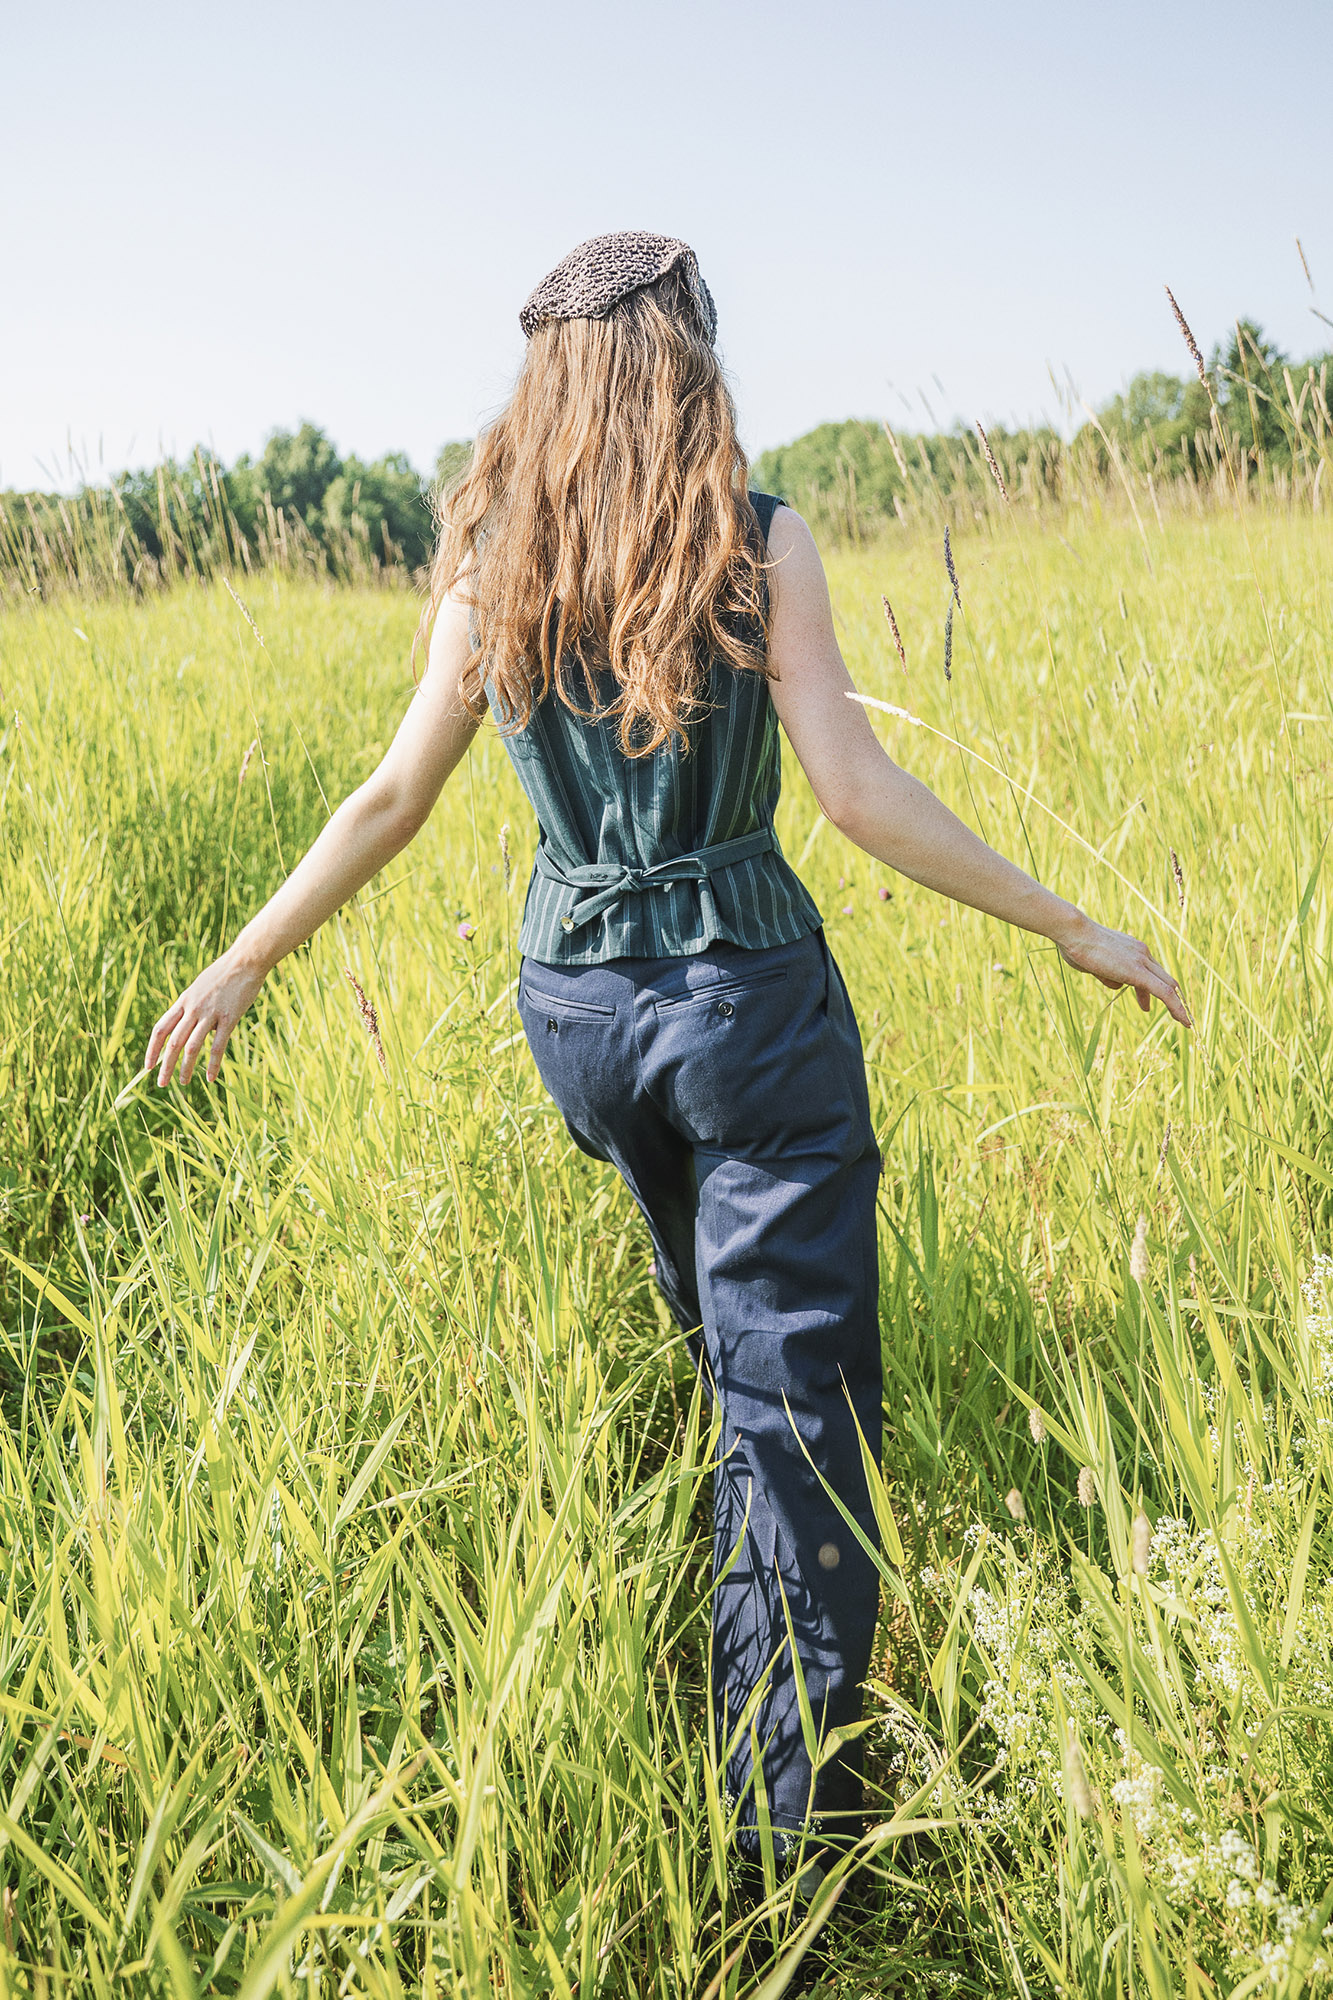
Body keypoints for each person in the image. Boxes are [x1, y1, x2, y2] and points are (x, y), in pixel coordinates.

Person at [145, 231, 1190, 1896]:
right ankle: (777, 1857)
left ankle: (753, 1674)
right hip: (744, 1010)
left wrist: (245, 958)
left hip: (577, 1019)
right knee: (793, 1417)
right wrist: (1068, 923)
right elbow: (853, 793)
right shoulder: (752, 540)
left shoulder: (491, 556)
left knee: (730, 1354)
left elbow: (391, 795)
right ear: (683, 357)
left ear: (547, 379)